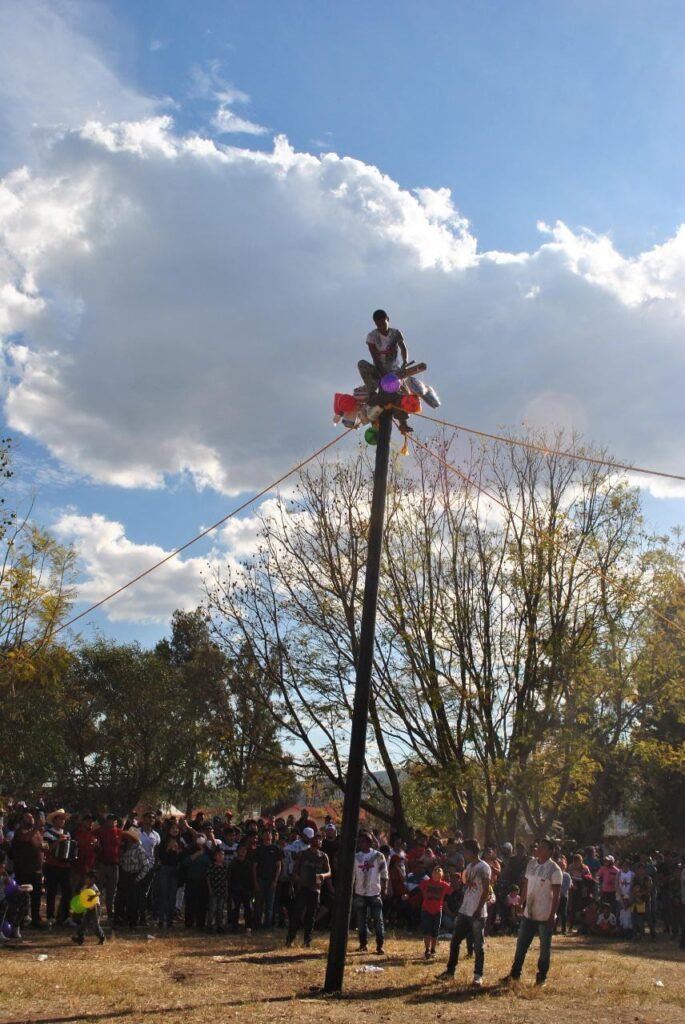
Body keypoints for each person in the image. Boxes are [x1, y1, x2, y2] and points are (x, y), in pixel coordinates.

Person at [505, 838, 562, 987]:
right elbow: (526, 885)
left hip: (544, 915)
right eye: (538, 847)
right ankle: (515, 973)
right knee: (521, 945)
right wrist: (520, 902)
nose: (539, 850)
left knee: (544, 948)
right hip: (529, 913)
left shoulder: (555, 870)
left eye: (543, 848)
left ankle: (541, 977)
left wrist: (552, 915)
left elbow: (556, 896)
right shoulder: (531, 864)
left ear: (550, 851)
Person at [438, 838, 490, 986]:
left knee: (478, 945)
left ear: (471, 851)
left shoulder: (484, 867)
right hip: (465, 910)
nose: (463, 853)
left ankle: (478, 975)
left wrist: (479, 909)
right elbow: (466, 884)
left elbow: (486, 889)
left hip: (477, 912)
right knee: (455, 942)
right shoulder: (469, 867)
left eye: (465, 850)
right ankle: (450, 971)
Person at [286, 828, 331, 948]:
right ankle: (290, 939)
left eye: (320, 839)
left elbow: (329, 871)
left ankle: (307, 941)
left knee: (310, 916)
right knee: (296, 914)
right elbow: (295, 869)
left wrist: (323, 875)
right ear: (311, 841)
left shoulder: (323, 856)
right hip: (302, 887)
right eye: (316, 838)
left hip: (315, 889)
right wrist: (292, 885)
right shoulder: (303, 854)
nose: (319, 841)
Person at [353, 830, 388, 955]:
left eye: (363, 841)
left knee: (378, 920)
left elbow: (384, 873)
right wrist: (352, 888)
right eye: (360, 842)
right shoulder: (356, 857)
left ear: (369, 843)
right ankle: (363, 944)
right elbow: (353, 875)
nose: (361, 844)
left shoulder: (378, 856)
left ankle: (380, 945)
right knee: (361, 921)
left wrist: (385, 887)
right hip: (360, 892)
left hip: (374, 892)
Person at [419, 865, 453, 960]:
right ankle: (427, 950)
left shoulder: (444, 885)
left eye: (439, 870)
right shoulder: (425, 883)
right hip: (426, 909)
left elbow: (452, 891)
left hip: (438, 910)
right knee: (427, 931)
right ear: (432, 873)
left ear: (442, 875)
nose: (437, 871)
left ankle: (433, 949)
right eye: (435, 870)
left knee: (435, 932)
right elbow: (420, 889)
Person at [251, 828, 284, 929]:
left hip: (271, 880)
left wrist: (275, 880)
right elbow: (254, 867)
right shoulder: (258, 849)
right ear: (262, 836)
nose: (267, 835)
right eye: (265, 833)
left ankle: (268, 925)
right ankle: (257, 924)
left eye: (269, 833)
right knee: (258, 904)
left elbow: (279, 866)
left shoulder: (276, 849)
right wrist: (255, 881)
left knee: (270, 904)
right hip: (260, 879)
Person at [72, 871, 106, 946]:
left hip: (95, 908)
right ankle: (80, 937)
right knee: (84, 922)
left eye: (87, 878)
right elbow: (82, 895)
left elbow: (98, 893)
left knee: (95, 924)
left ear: (92, 879)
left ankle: (102, 937)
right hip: (88, 908)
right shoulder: (85, 887)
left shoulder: (93, 886)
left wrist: (92, 897)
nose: (85, 880)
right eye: (85, 878)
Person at [206, 847, 228, 933]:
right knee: (212, 909)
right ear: (215, 856)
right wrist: (210, 889)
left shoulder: (225, 867)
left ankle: (220, 925)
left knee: (220, 909)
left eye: (222, 854)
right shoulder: (211, 866)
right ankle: (210, 925)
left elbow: (226, 879)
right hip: (214, 890)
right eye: (219, 854)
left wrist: (226, 890)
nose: (221, 856)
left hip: (222, 890)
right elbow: (208, 878)